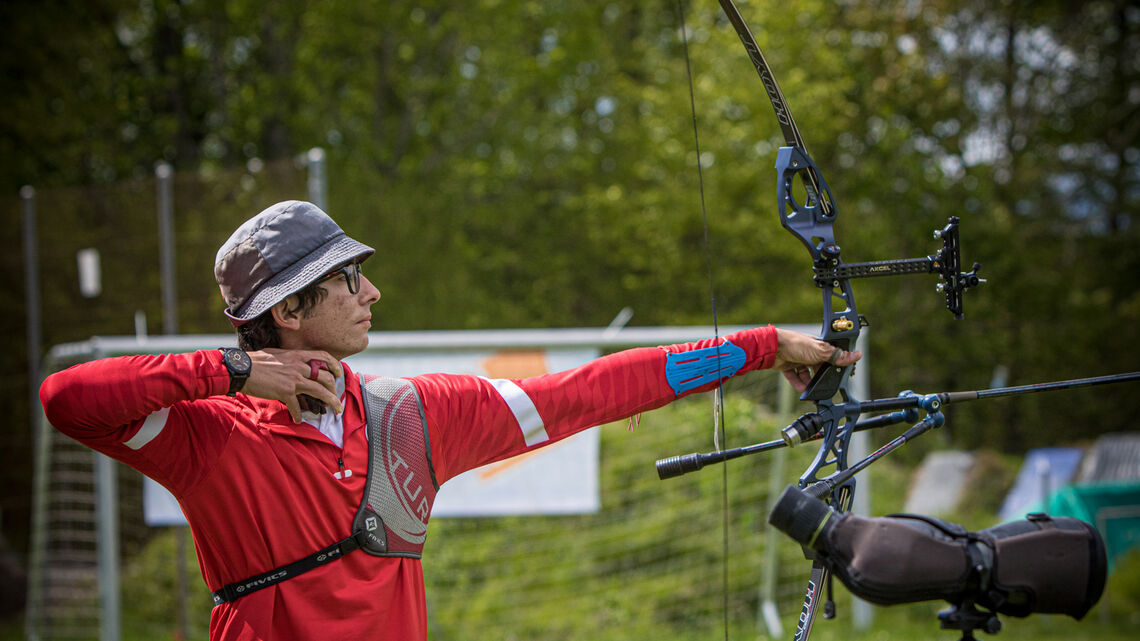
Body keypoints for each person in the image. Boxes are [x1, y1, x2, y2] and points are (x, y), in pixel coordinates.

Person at [40, 200, 861, 641]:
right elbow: (67, 398)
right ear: (288, 310)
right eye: (347, 279)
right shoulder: (208, 435)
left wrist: (762, 345)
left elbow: (592, 390)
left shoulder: (412, 416)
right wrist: (232, 370)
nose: (371, 292)